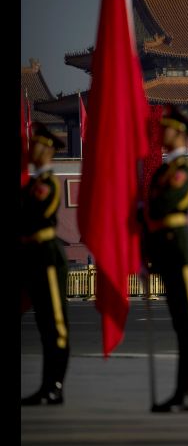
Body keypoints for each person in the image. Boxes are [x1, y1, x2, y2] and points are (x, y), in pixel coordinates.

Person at [144, 104, 188, 413]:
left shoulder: (184, 170)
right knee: (179, 324)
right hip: (166, 252)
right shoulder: (161, 173)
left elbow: (166, 203)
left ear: (179, 132)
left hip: (181, 251)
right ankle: (179, 391)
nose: (162, 133)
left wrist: (145, 210)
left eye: (166, 128)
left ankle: (187, 391)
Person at [21, 123, 69, 406]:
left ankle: (54, 386)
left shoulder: (47, 184)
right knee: (42, 324)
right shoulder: (31, 185)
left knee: (54, 324)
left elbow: (34, 217)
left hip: (47, 257)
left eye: (37, 144)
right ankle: (46, 385)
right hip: (31, 257)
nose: (32, 149)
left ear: (48, 150)